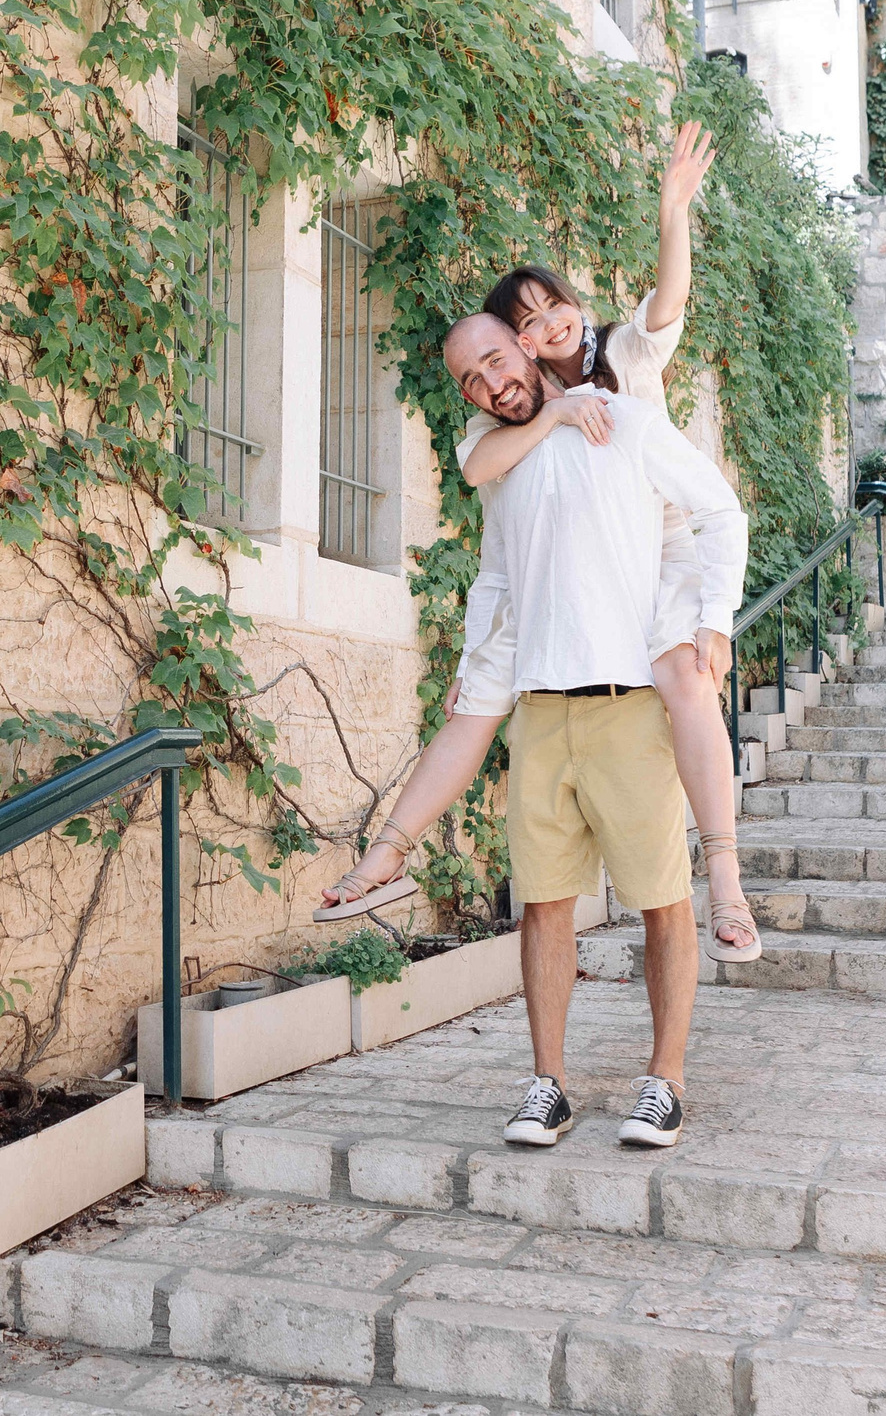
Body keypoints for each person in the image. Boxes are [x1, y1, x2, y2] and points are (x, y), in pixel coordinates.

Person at [312, 121, 761, 965]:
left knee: (687, 678)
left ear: (576, 311)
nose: (543, 328)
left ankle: (728, 880)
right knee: (469, 712)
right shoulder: (504, 420)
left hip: (656, 541)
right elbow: (483, 469)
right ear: (510, 342)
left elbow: (668, 301)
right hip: (539, 582)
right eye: (523, 325)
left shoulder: (623, 366)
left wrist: (673, 211)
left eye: (555, 309)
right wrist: (551, 411)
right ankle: (386, 855)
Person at [426, 312, 748, 1147]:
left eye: (497, 358)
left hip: (630, 701)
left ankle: (665, 1082)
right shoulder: (503, 458)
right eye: (470, 378)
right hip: (539, 709)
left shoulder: (629, 418)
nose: (489, 382)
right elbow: (495, 575)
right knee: (542, 907)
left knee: (664, 905)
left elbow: (717, 507)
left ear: (528, 349)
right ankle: (547, 1086)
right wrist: (473, 653)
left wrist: (714, 621)